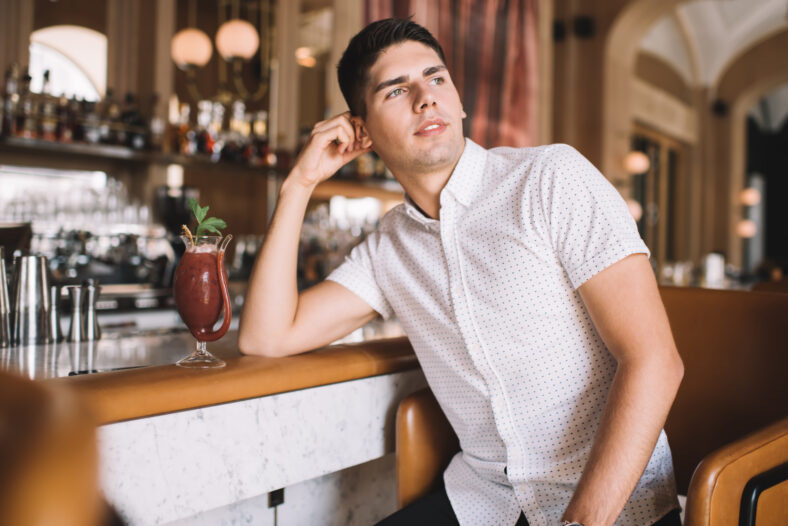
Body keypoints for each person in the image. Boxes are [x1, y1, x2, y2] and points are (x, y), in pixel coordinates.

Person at [239, 18, 684, 526]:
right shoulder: (390, 247)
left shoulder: (550, 178)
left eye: (436, 78)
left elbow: (654, 362)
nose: (425, 98)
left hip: (612, 504)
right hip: (483, 501)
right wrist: (300, 183)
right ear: (362, 130)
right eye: (396, 91)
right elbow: (267, 336)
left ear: (459, 100)